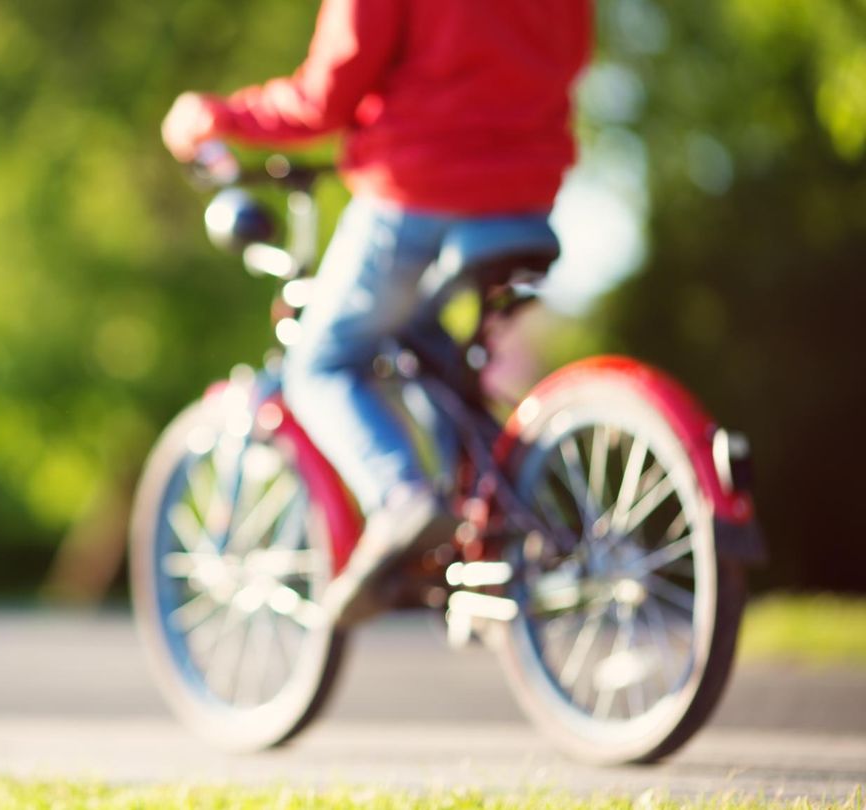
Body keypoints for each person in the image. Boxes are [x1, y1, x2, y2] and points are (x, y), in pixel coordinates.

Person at [161, 0, 592, 625]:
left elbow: (324, 97)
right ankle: (487, 523)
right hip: (528, 193)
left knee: (319, 363)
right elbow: (571, 58)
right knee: (421, 338)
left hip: (418, 186)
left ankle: (401, 499)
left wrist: (216, 117)